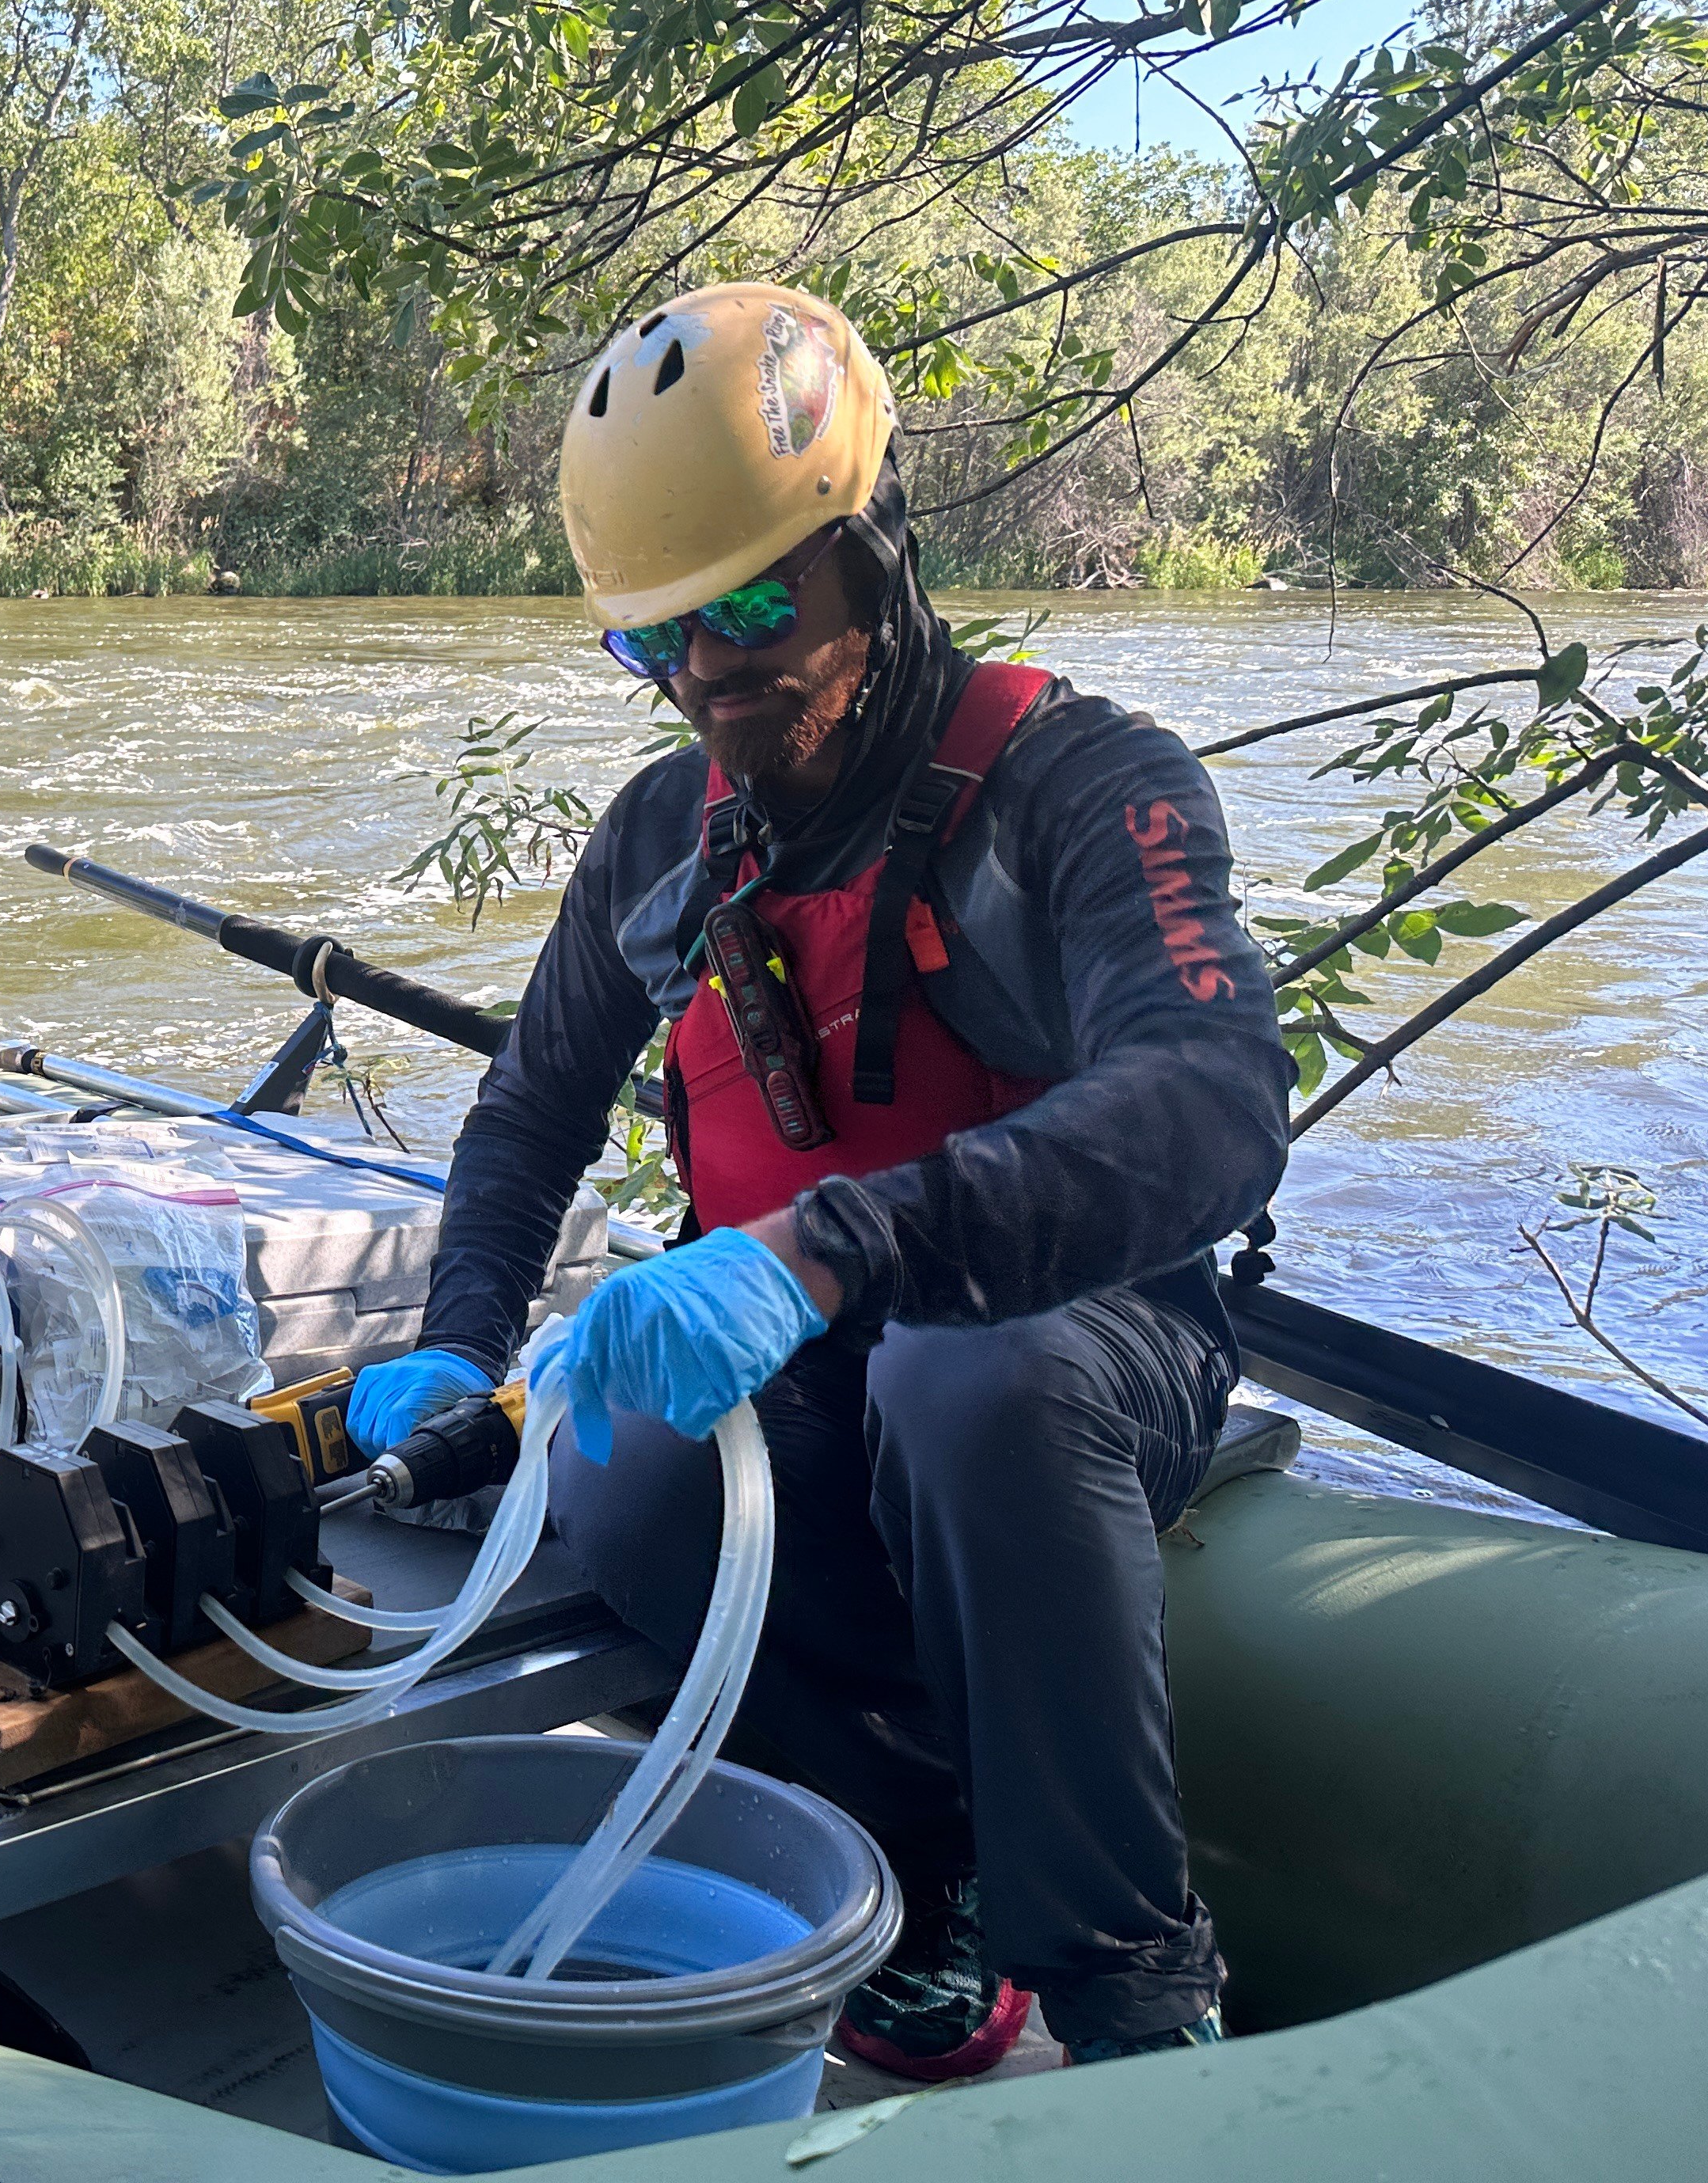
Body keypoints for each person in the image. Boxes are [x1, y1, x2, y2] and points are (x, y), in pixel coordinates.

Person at [347, 285, 1292, 2073]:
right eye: (659, 644)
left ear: (880, 559)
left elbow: (1219, 1098)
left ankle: (1131, 1987)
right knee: (612, 1454)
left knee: (967, 1373)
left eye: (761, 604)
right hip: (815, 1346)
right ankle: (919, 1881)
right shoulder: (659, 834)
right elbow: (533, 1117)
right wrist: (463, 1339)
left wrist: (830, 1248)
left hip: (1075, 1337)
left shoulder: (1086, 782)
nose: (713, 672)